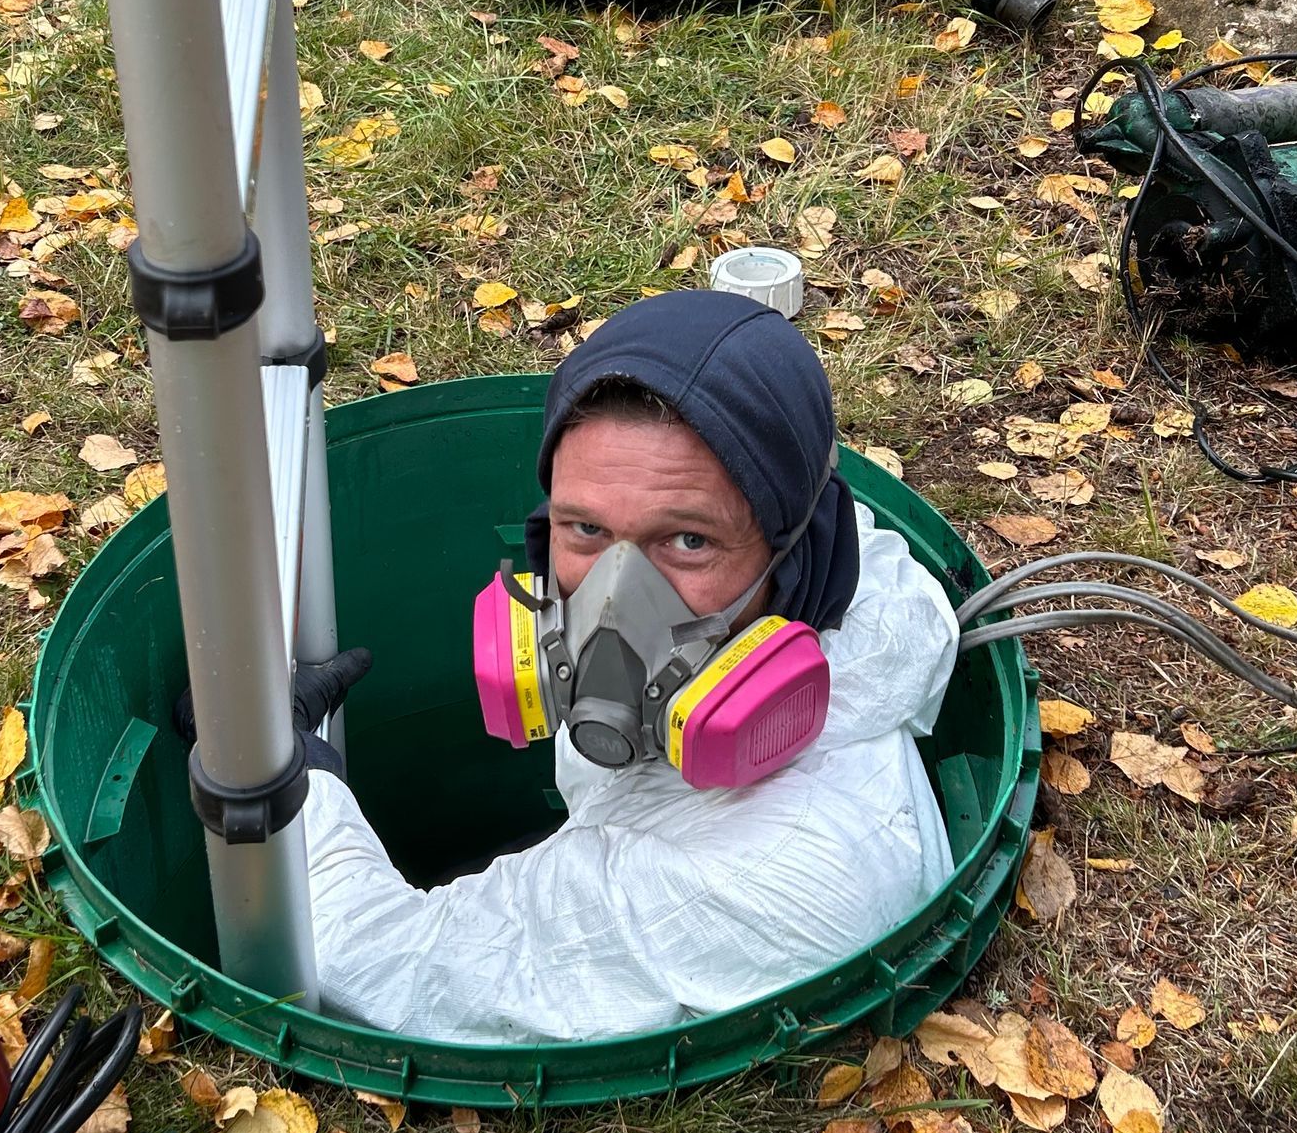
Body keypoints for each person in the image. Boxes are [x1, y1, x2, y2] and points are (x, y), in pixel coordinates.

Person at [301, 291, 958, 1042]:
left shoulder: (769, 872)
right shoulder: (858, 594)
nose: (617, 600)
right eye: (585, 528)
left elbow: (375, 966)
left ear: (796, 557)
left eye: (687, 542)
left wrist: (298, 785)